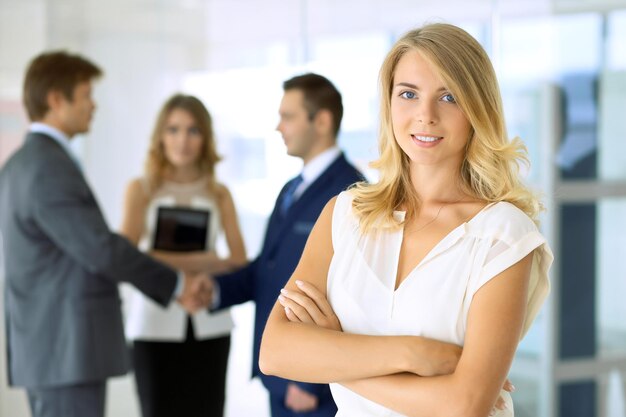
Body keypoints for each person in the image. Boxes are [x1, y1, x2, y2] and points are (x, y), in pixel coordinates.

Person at [259, 23, 553, 417]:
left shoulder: (502, 234)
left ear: (477, 108)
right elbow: (275, 352)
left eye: (448, 96)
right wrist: (414, 354)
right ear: (390, 104)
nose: (425, 115)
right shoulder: (344, 215)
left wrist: (334, 353)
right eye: (409, 94)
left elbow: (464, 405)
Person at [0, 51, 211, 417]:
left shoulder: (25, 162)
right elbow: (100, 248)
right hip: (63, 348)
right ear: (55, 99)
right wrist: (176, 285)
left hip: (51, 347)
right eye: (85, 95)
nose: (93, 105)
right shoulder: (48, 166)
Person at [212, 73, 363, 417]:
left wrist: (310, 380)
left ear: (322, 121)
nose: (279, 127)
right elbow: (269, 268)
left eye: (288, 116)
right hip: (281, 371)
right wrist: (214, 291)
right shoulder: (290, 188)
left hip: (309, 382)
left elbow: (348, 291)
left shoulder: (352, 193)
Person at [120, 93, 247, 417]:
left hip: (209, 321)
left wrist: (156, 256)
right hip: (154, 321)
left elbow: (238, 261)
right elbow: (125, 258)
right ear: (160, 136)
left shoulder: (220, 193)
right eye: (173, 129)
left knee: (208, 409)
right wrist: (206, 260)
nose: (182, 140)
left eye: (193, 130)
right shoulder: (141, 189)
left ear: (205, 138)